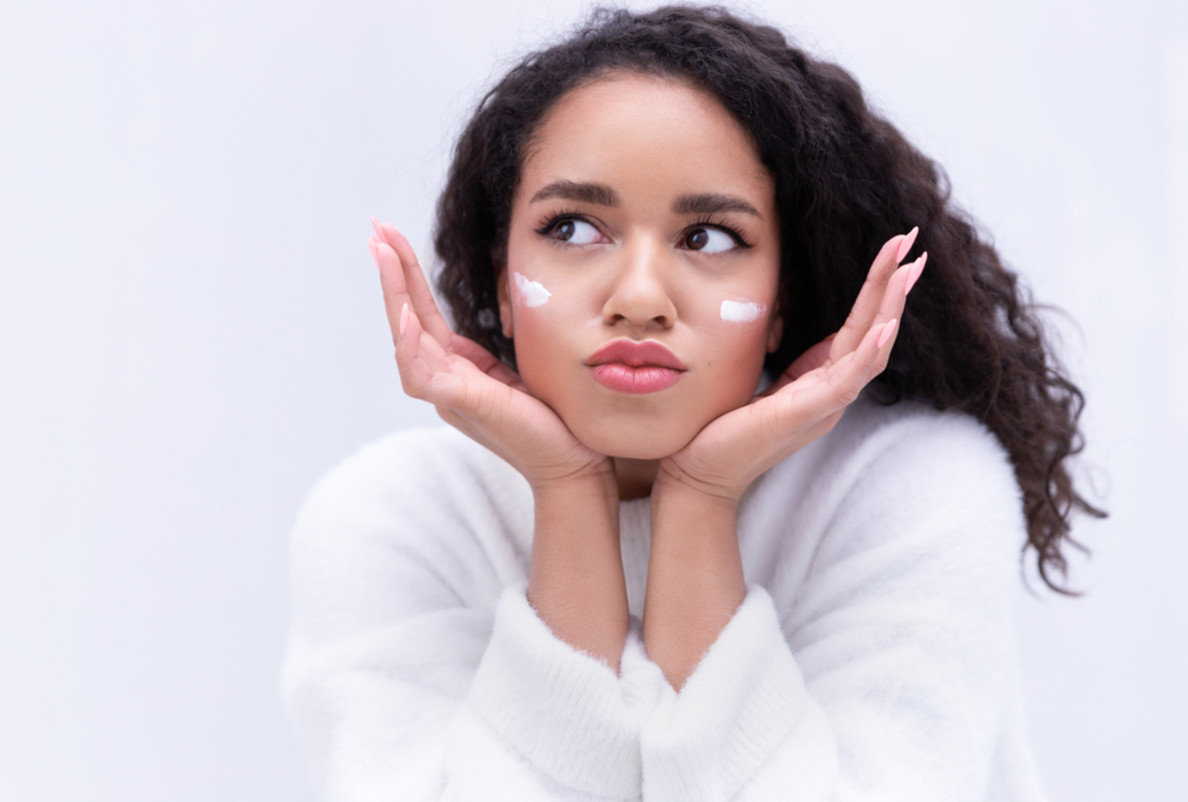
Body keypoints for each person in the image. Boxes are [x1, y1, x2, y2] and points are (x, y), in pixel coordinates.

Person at [282, 6, 1104, 800]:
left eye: (709, 236)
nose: (640, 297)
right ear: (501, 280)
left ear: (783, 295)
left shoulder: (910, 490)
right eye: (572, 228)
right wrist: (567, 496)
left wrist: (702, 504)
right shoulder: (393, 519)